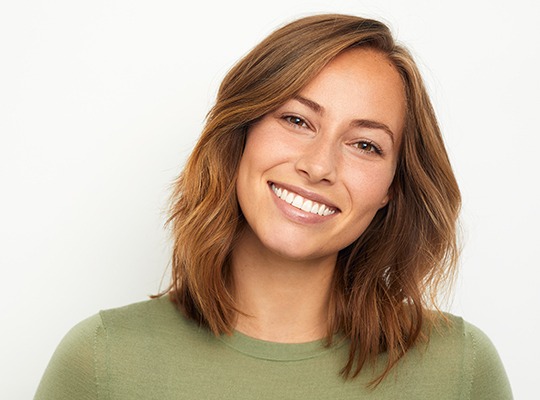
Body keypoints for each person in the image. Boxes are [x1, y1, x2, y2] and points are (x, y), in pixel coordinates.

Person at [34, 14, 512, 399]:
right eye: (297, 119)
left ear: (392, 186)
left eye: (366, 145)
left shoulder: (460, 370)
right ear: (241, 132)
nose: (319, 165)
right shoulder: (103, 361)